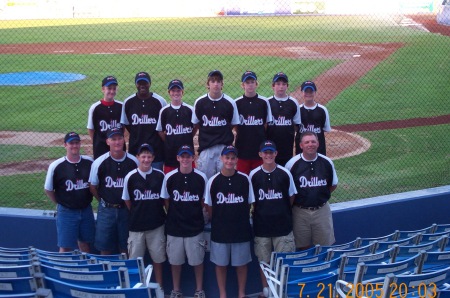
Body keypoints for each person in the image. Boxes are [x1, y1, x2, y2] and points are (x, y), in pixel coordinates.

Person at [205, 145, 254, 298]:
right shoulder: (213, 181)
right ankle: (223, 294)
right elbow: (209, 206)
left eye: (233, 158)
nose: (230, 161)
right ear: (222, 159)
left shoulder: (244, 179)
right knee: (221, 265)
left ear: (236, 160)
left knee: (241, 265)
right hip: (220, 229)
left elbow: (249, 203)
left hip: (241, 228)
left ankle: (241, 293)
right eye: (227, 157)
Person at [249, 140, 297, 298]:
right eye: (265, 152)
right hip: (262, 227)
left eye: (271, 152)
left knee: (284, 262)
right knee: (264, 262)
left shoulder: (284, 173)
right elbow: (253, 201)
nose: (268, 155)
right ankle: (267, 291)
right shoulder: (254, 175)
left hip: (283, 227)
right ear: (260, 155)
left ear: (275, 154)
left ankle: (282, 291)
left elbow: (291, 197)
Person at [161, 145, 208, 298]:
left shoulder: (201, 177)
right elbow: (166, 200)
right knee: (175, 262)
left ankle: (199, 290)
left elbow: (204, 202)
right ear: (178, 158)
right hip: (175, 227)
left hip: (195, 227)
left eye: (189, 156)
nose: (186, 159)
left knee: (197, 261)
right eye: (183, 156)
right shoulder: (169, 177)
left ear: (193, 158)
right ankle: (176, 290)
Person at [122, 143, 165, 298]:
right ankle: (135, 290)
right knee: (135, 262)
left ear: (153, 158)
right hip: (136, 226)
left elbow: (164, 200)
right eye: (143, 156)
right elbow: (128, 202)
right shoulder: (130, 177)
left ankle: (159, 290)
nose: (146, 159)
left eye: (149, 156)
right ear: (138, 157)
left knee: (158, 260)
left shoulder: (160, 176)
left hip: (156, 225)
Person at [89, 127, 138, 255]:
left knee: (126, 246)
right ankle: (107, 274)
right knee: (105, 247)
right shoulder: (99, 162)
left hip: (126, 210)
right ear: (107, 141)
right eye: (113, 139)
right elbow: (93, 186)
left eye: (120, 138)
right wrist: (103, 200)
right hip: (106, 210)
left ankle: (127, 273)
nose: (117, 142)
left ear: (124, 140)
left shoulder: (133, 161)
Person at [285, 131, 338, 250]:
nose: (310, 144)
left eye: (313, 141)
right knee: (302, 247)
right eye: (307, 142)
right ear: (301, 145)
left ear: (318, 143)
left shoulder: (326, 162)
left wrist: (319, 196)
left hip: (321, 210)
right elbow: (288, 191)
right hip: (300, 211)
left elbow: (333, 185)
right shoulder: (292, 164)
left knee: (325, 248)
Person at [44, 132, 95, 253]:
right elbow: (48, 189)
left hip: (86, 210)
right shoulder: (56, 166)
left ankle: (86, 269)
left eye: (77, 143)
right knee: (65, 246)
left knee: (86, 244)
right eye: (71, 143)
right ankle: (63, 271)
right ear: (65, 145)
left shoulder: (89, 162)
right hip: (66, 212)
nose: (74, 146)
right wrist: (61, 203)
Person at [192, 70, 240, 179]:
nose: (216, 84)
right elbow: (196, 124)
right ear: (207, 84)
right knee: (205, 181)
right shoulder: (200, 102)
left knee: (225, 180)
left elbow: (233, 124)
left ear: (222, 84)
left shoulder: (229, 102)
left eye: (218, 81)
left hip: (224, 148)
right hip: (206, 149)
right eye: (212, 81)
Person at [121, 71, 167, 170]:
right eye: (139, 83)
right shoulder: (128, 102)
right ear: (136, 84)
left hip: (156, 150)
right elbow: (127, 125)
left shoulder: (160, 101)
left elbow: (164, 126)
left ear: (149, 83)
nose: (142, 86)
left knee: (156, 180)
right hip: (135, 149)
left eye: (145, 83)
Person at [235, 71, 273, 175]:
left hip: (259, 148)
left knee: (259, 177)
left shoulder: (264, 102)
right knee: (243, 178)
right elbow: (235, 126)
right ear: (242, 85)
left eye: (252, 82)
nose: (250, 84)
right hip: (242, 148)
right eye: (247, 82)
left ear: (256, 84)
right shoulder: (237, 103)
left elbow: (266, 124)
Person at [156, 79, 195, 174]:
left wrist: (188, 136)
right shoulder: (164, 111)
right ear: (169, 92)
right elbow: (160, 130)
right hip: (170, 154)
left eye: (178, 90)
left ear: (183, 92)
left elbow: (195, 126)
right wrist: (169, 140)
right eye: (173, 91)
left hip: (188, 153)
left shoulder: (190, 110)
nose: (176, 93)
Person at [266, 72, 301, 166]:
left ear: (287, 86)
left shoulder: (293, 102)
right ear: (273, 86)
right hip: (270, 145)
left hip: (287, 145)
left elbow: (297, 124)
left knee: (287, 168)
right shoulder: (267, 102)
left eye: (284, 84)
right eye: (278, 84)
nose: (281, 86)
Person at [87, 76, 125, 159]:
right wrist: (98, 142)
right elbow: (91, 129)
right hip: (101, 149)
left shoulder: (121, 106)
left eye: (114, 88)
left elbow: (125, 127)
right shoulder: (95, 108)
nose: (112, 91)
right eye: (109, 88)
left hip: (118, 148)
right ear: (103, 89)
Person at [295, 80, 331, 156]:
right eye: (306, 91)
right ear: (302, 92)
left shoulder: (322, 110)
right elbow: (295, 128)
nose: (308, 94)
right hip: (301, 150)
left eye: (311, 91)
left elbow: (325, 128)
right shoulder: (298, 110)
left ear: (315, 92)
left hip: (319, 149)